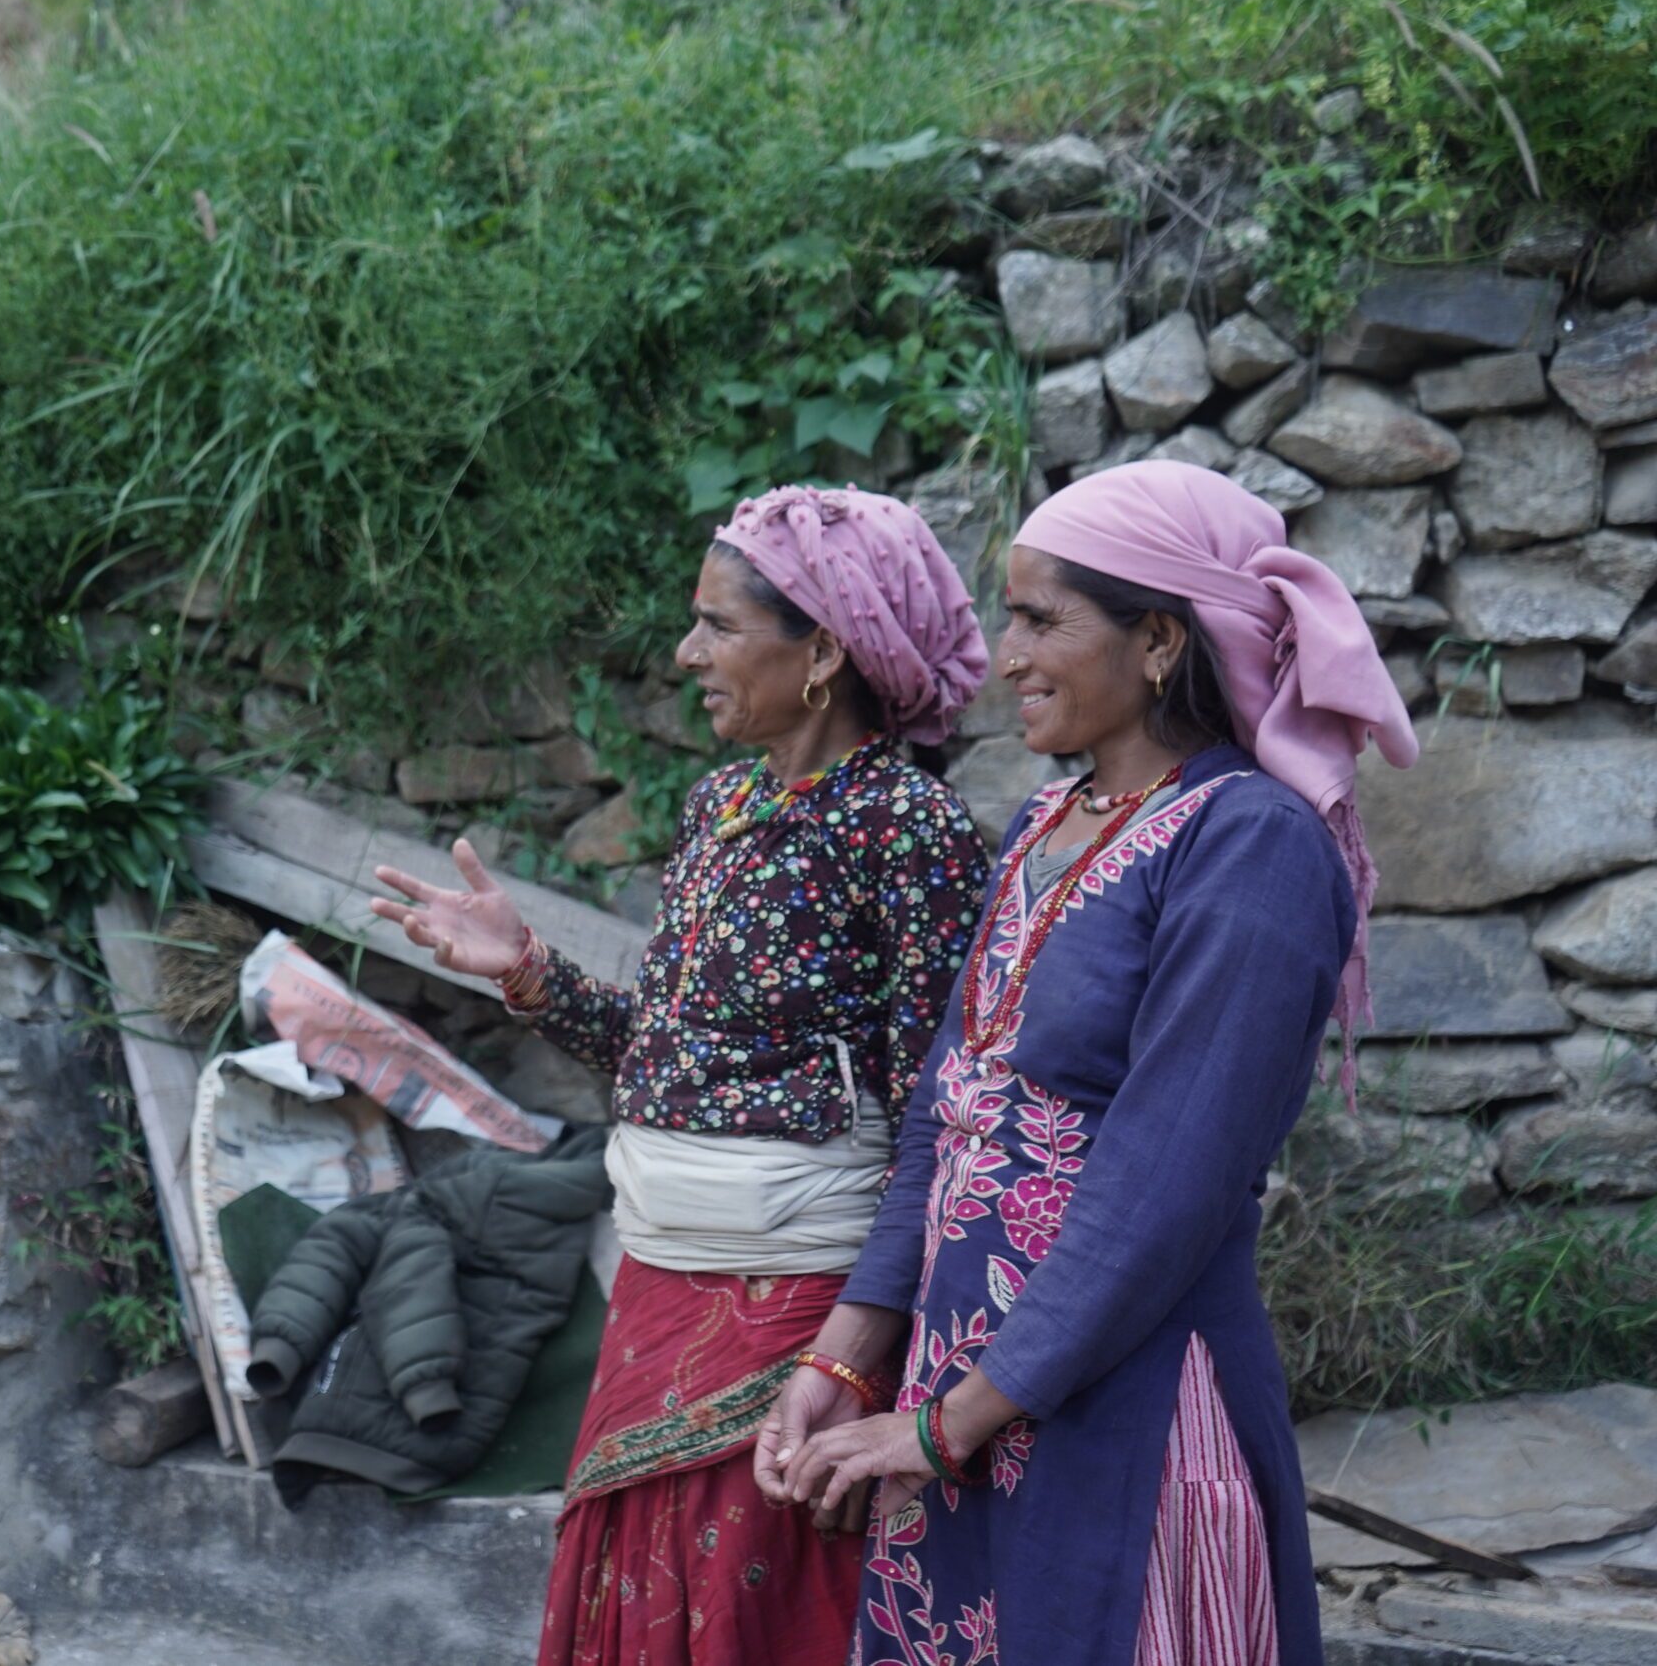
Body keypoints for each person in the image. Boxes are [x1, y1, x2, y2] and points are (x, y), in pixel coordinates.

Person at [764, 459, 1419, 1666]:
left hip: (1124, 1405)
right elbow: (946, 1121)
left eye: (1038, 619)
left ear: (1159, 640)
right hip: (957, 1397)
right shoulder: (1039, 827)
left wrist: (944, 1427)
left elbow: (1163, 1190)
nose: (1005, 656)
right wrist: (845, 1362)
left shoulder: (1250, 845)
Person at [372, 485, 993, 1666]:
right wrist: (528, 972)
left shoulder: (909, 830)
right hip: (661, 1287)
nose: (685, 652)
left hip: (798, 1309)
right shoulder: (721, 806)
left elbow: (941, 1121)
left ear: (821, 648)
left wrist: (878, 1352)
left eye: (716, 624)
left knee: (752, 1599)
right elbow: (673, 1058)